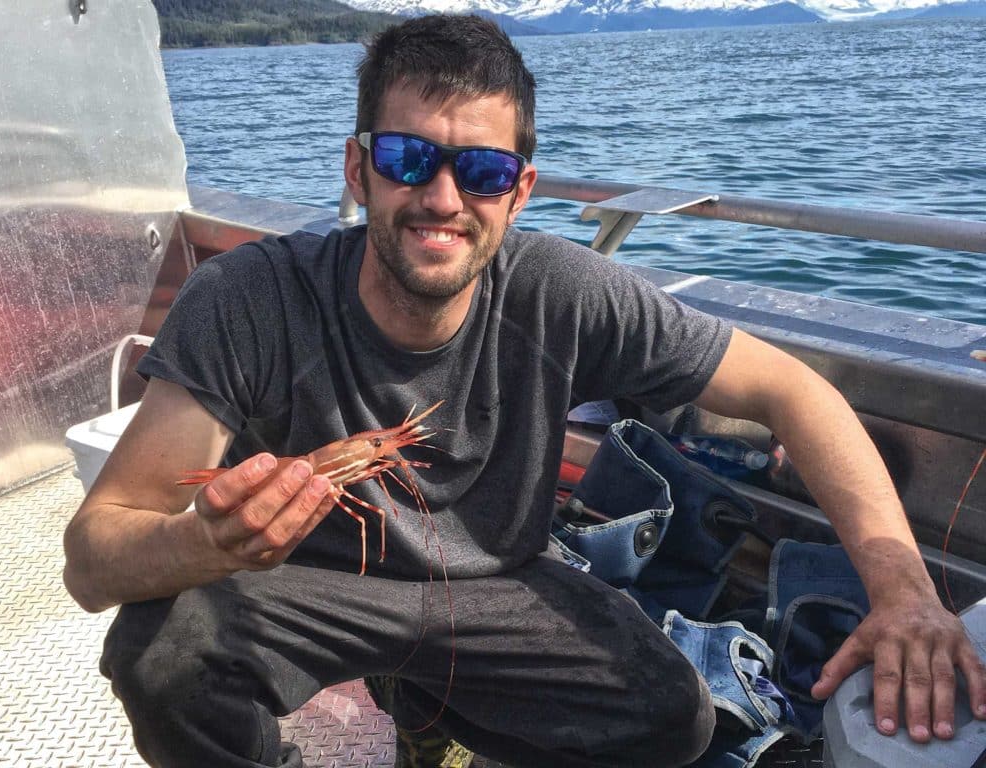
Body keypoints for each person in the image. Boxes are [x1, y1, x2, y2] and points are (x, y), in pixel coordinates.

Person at [63, 13, 985, 768]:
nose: (443, 197)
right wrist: (205, 539)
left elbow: (795, 390)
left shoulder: (560, 292)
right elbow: (94, 559)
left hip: (492, 581)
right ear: (358, 169)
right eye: (408, 159)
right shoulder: (247, 298)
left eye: (486, 171)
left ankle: (430, 710)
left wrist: (904, 593)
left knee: (675, 721)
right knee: (164, 657)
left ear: (521, 190)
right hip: (308, 585)